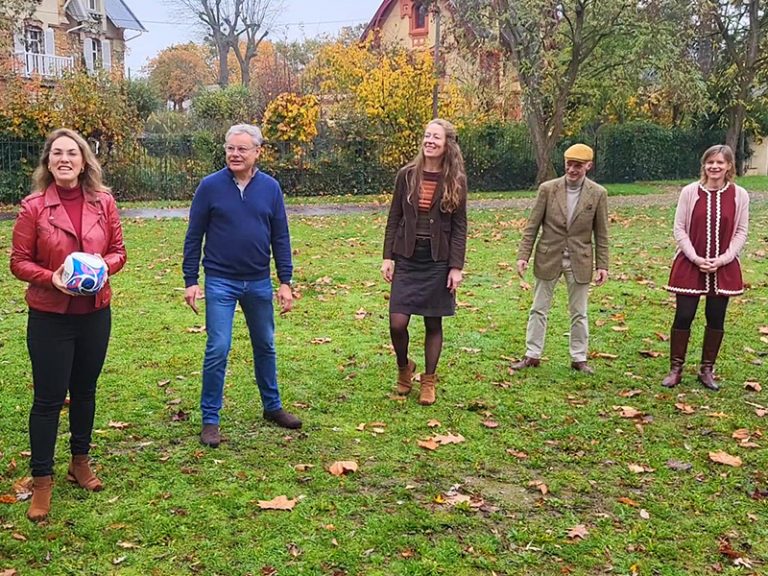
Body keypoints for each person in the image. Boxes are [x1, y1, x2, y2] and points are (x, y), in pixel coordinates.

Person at [10, 128, 127, 522]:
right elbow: (18, 261)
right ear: (48, 161)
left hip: (94, 314)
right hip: (49, 317)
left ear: (83, 161)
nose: (64, 159)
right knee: (47, 400)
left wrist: (100, 268)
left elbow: (118, 252)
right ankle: (42, 481)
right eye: (57, 153)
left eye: (72, 153)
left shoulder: (104, 202)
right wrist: (52, 278)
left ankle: (80, 462)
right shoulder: (33, 207)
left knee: (85, 390)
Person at [183, 123, 301, 448]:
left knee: (265, 344)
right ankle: (210, 419)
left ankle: (272, 406)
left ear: (257, 152)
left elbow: (281, 236)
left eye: (242, 149)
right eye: (230, 148)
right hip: (220, 282)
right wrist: (191, 281)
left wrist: (285, 281)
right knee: (218, 348)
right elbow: (194, 237)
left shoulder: (271, 188)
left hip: (259, 281)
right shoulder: (209, 187)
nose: (235, 154)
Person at [381, 118, 468, 405]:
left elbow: (459, 226)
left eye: (436, 138)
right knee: (397, 323)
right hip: (407, 256)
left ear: (447, 145)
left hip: (437, 260)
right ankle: (404, 368)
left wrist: (456, 266)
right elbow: (394, 217)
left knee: (433, 322)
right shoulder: (406, 174)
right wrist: (387, 257)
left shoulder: (455, 179)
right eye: (427, 136)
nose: (429, 141)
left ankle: (428, 380)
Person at [510, 144, 609, 374]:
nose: (572, 169)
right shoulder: (547, 189)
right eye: (569, 164)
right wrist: (523, 255)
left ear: (588, 166)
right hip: (548, 256)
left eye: (578, 165)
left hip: (580, 259)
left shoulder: (598, 194)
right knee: (538, 308)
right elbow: (532, 225)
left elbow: (602, 233)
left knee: (579, 312)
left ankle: (579, 358)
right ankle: (532, 354)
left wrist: (602, 265)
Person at [662, 144, 749, 391]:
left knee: (716, 317)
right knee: (684, 315)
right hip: (691, 264)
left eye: (720, 162)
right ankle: (676, 368)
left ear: (729, 166)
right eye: (710, 162)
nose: (715, 166)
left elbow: (741, 231)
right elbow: (679, 228)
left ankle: (707, 369)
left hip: (724, 267)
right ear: (704, 165)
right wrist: (696, 258)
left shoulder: (739, 195)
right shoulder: (690, 192)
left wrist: (723, 259)